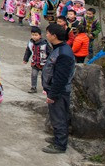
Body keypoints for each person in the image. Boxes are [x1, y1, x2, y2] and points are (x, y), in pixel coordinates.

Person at [42, 23, 76, 154]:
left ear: (54, 36)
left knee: (59, 117)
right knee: (55, 115)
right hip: (55, 90)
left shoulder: (63, 53)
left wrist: (52, 94)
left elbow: (61, 77)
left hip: (59, 92)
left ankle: (60, 144)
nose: (47, 35)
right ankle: (57, 138)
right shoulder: (59, 49)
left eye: (48, 33)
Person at [23, 26, 49, 93]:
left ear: (40, 35)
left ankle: (45, 88)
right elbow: (28, 51)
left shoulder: (45, 43)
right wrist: (25, 59)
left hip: (44, 63)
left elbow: (50, 52)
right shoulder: (30, 43)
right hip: (34, 62)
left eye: (36, 35)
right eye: (33, 35)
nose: (34, 37)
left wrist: (50, 61)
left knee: (45, 76)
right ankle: (33, 87)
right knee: (33, 75)